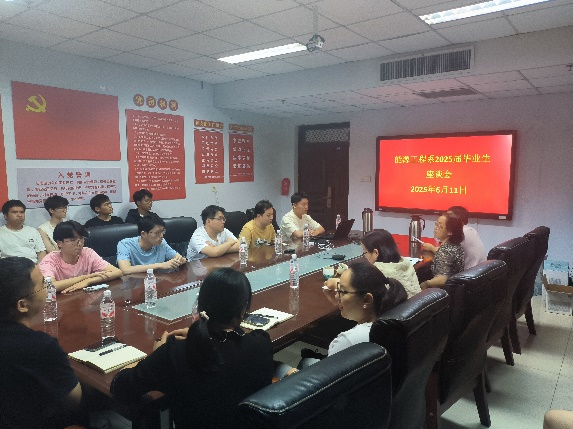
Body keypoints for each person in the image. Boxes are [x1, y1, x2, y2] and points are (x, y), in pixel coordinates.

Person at [111, 268, 274, 428]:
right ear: (243, 310)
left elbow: (120, 387)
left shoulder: (174, 353)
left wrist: (156, 354)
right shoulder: (261, 343)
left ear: (200, 305)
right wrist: (202, 336)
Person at [277, 260, 407, 377]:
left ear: (367, 300)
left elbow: (326, 384)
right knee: (307, 361)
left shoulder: (347, 341)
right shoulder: (392, 321)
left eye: (342, 292)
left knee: (278, 368)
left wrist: (291, 374)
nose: (336, 296)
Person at [0, 257, 83, 429]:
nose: (48, 287)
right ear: (23, 305)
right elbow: (74, 399)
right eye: (43, 284)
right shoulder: (40, 346)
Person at [325, 229, 421, 298]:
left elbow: (352, 288)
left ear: (375, 253)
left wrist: (336, 283)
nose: (365, 256)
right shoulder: (406, 264)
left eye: (365, 252)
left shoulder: (377, 272)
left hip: (391, 317)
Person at [38, 220, 122, 293]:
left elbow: (117, 272)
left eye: (81, 239)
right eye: (73, 240)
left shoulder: (87, 253)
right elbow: (49, 287)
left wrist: (88, 281)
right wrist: (85, 277)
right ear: (60, 243)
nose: (79, 244)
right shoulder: (50, 260)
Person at [117, 217, 187, 274]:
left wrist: (180, 260)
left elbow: (176, 257)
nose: (161, 236)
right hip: (135, 283)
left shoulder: (161, 242)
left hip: (158, 281)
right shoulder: (125, 244)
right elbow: (125, 270)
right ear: (144, 234)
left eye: (163, 231)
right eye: (157, 233)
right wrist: (160, 265)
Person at [420, 213, 465, 289]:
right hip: (455, 288)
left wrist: (425, 284)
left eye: (440, 226)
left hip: (443, 291)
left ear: (450, 232)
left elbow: (442, 280)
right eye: (436, 224)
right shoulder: (457, 246)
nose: (435, 228)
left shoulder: (445, 251)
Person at [447, 206, 486, 270]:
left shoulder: (461, 232)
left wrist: (431, 247)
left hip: (470, 273)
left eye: (449, 216)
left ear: (458, 218)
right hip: (481, 270)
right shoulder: (470, 230)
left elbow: (446, 256)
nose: (446, 219)